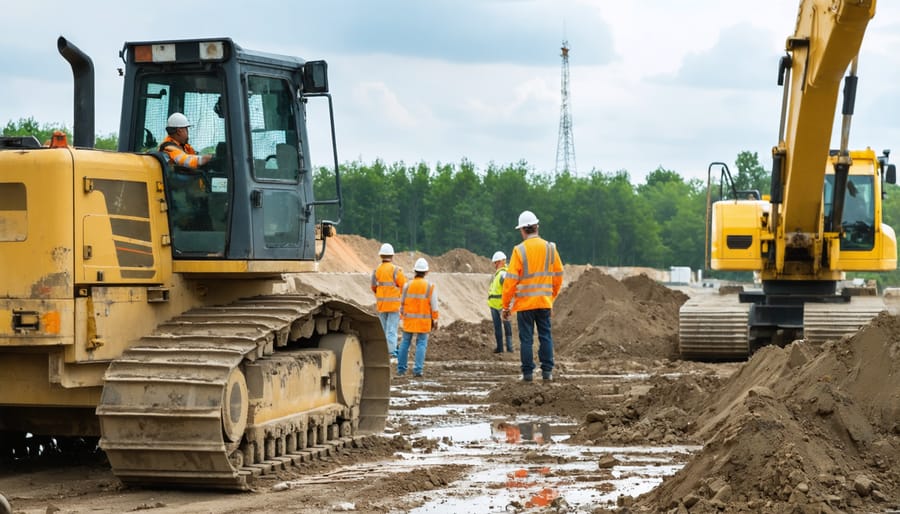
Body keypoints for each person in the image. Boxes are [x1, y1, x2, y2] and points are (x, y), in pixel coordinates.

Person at [501, 210, 564, 382]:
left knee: (526, 339)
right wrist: (551, 298)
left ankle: (528, 374)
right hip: (544, 302)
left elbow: (510, 281)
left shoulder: (519, 250)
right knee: (545, 336)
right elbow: (559, 275)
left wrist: (506, 306)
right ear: (537, 226)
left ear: (522, 230)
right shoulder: (550, 248)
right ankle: (547, 373)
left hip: (525, 304)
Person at [397, 258, 439, 377]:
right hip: (423, 321)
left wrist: (402, 316)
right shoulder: (430, 286)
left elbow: (402, 302)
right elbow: (434, 305)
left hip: (409, 320)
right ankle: (418, 370)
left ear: (415, 271)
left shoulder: (407, 285)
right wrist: (435, 319)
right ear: (426, 272)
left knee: (405, 342)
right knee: (421, 344)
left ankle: (401, 370)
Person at [371, 243, 406, 358]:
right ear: (392, 256)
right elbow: (404, 286)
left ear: (381, 256)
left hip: (381, 305)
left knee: (383, 330)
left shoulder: (376, 270)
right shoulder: (396, 270)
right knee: (391, 330)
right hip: (394, 305)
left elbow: (373, 287)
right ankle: (390, 352)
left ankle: (383, 350)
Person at [487, 250, 514, 353]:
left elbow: (508, 287)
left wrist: (507, 305)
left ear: (500, 262)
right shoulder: (498, 274)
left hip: (502, 305)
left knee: (506, 325)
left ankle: (509, 348)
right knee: (498, 327)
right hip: (494, 305)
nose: (494, 265)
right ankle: (500, 348)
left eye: (495, 262)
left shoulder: (503, 274)